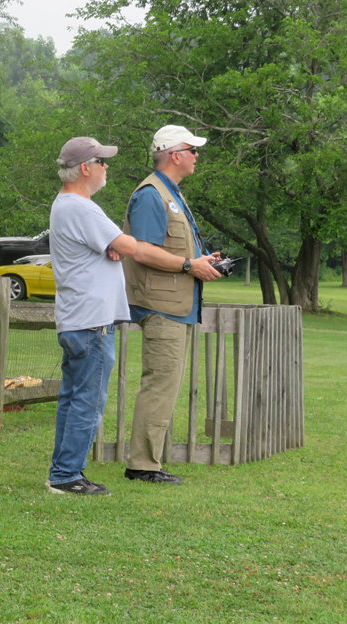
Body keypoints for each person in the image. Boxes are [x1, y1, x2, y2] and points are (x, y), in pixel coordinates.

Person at [122, 124, 222, 484]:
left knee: (166, 384)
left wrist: (201, 260)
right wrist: (187, 265)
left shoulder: (170, 193)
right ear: (174, 154)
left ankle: (149, 461)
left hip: (175, 305)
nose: (197, 156)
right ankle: (143, 466)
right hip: (161, 307)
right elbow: (142, 249)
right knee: (160, 384)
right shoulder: (151, 195)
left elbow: (171, 247)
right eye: (192, 150)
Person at [47, 137, 138, 496]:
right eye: (102, 161)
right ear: (86, 168)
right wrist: (122, 247)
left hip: (77, 319)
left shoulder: (65, 205)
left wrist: (112, 249)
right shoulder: (82, 208)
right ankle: (67, 476)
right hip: (92, 323)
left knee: (73, 398)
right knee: (87, 400)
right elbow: (127, 245)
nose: (106, 167)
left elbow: (111, 247)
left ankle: (63, 471)